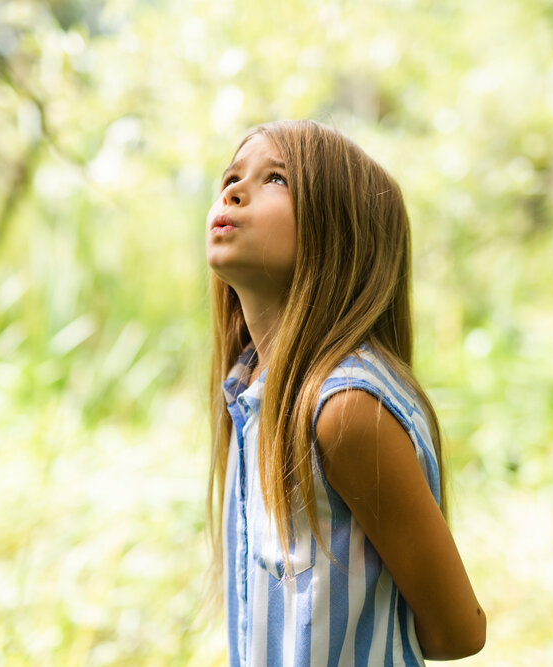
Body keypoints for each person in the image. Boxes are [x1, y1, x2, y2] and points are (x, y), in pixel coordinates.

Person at [204, 120, 485, 666]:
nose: (233, 191)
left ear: (341, 233)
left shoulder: (345, 410)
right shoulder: (249, 397)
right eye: (232, 177)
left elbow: (457, 631)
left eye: (276, 180)